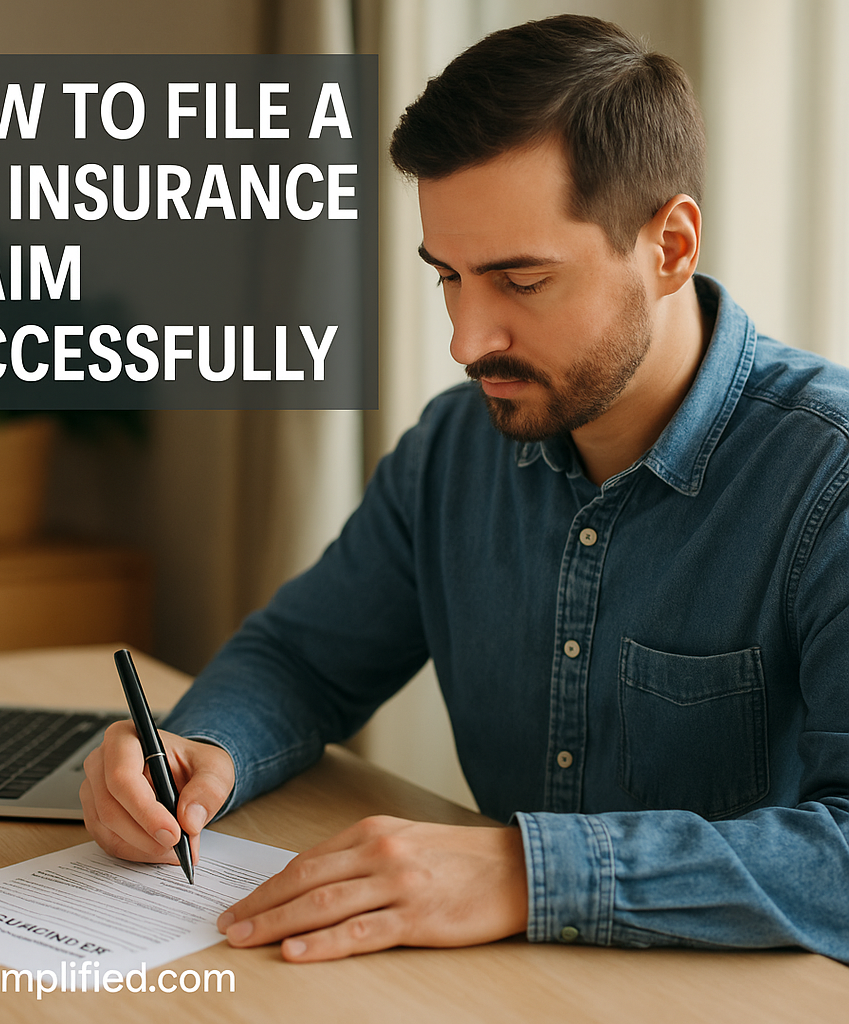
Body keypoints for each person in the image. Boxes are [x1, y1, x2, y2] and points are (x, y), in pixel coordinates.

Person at [81, 15, 849, 964]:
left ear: (671, 246)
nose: (465, 340)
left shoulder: (831, 476)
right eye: (448, 277)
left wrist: (530, 873)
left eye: (520, 281)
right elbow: (304, 660)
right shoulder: (457, 443)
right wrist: (201, 752)